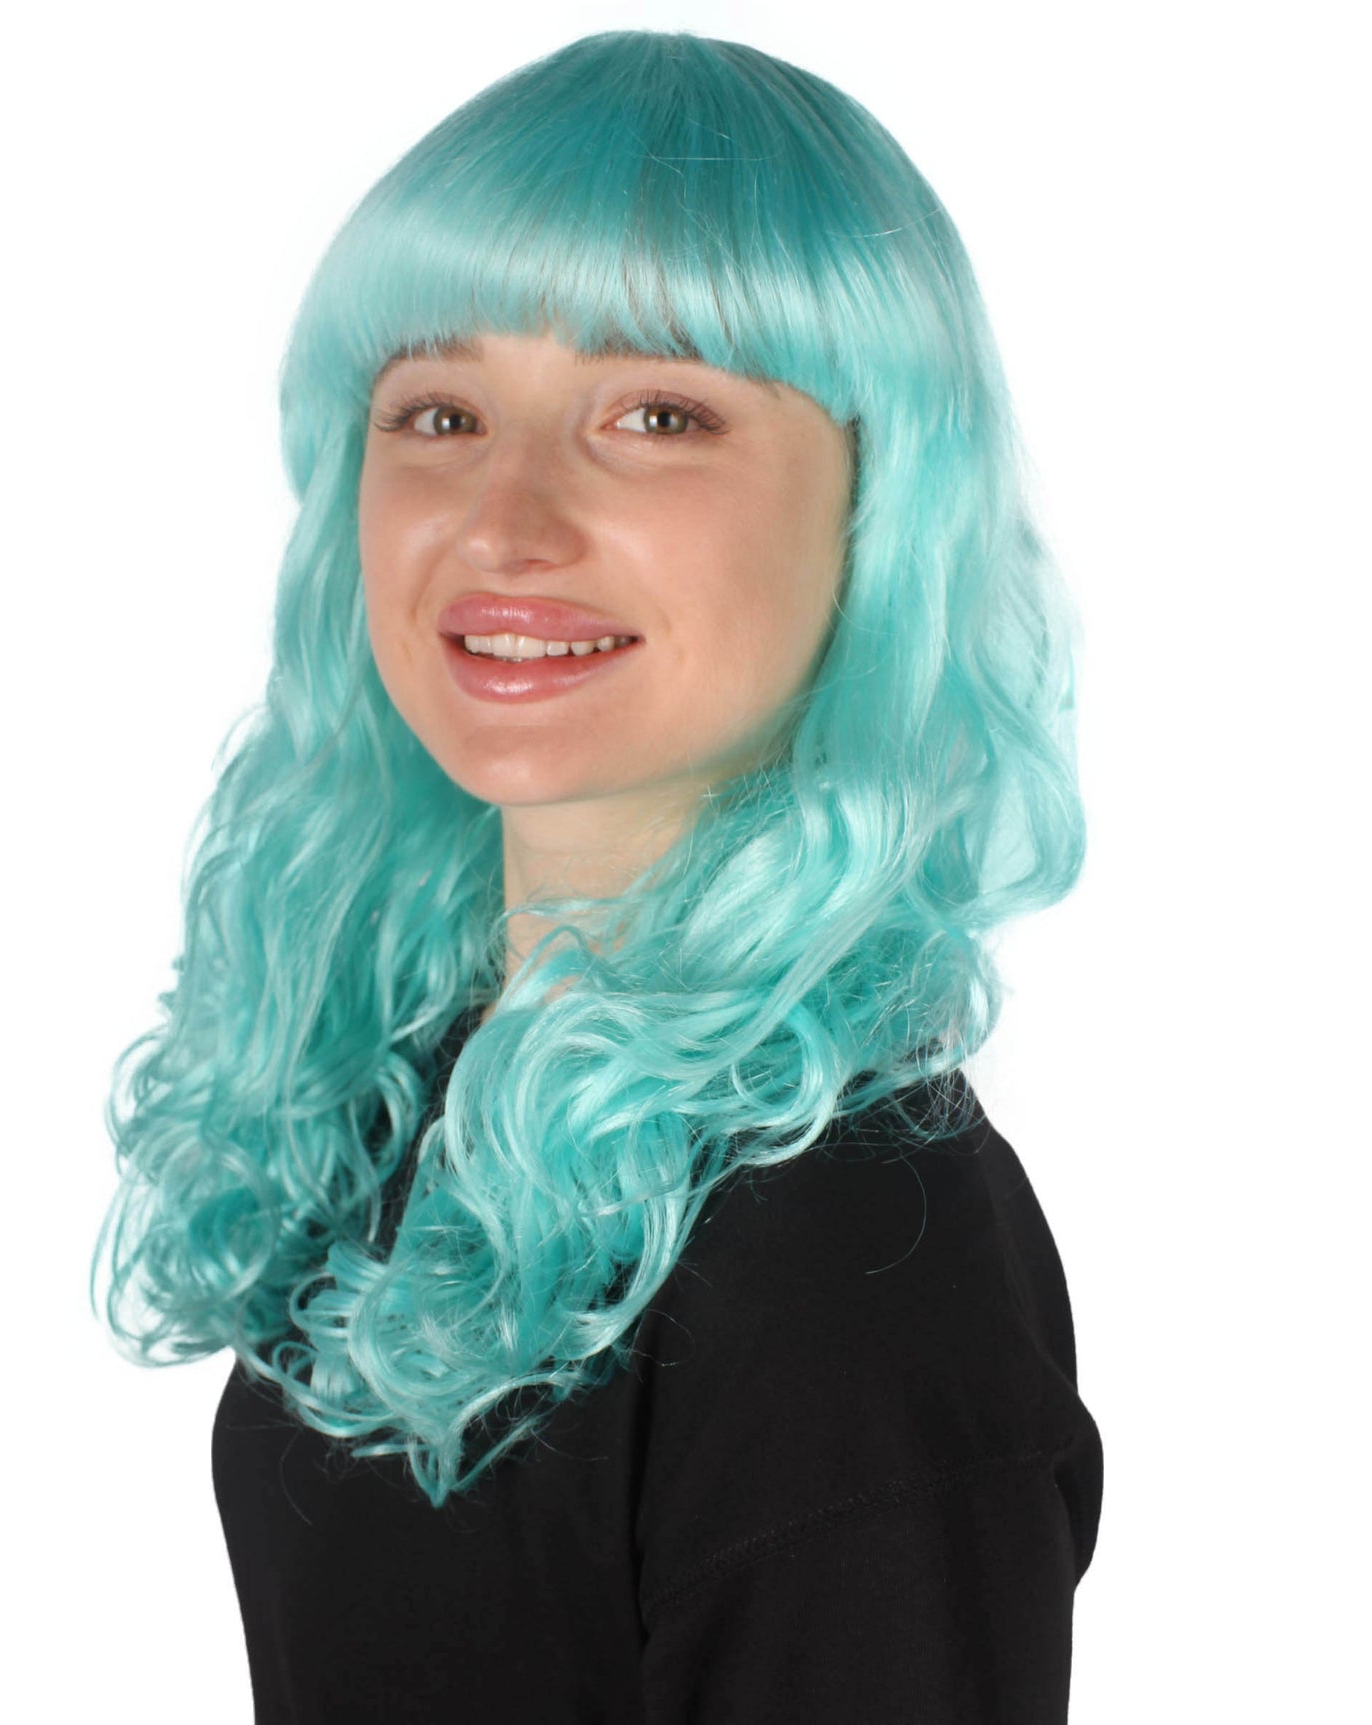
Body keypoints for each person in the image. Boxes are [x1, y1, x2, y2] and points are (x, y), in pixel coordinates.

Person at [92, 27, 1103, 1722]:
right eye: (439, 411)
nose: (503, 520)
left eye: (656, 413)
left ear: (878, 509)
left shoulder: (845, 1255)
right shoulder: (428, 1082)